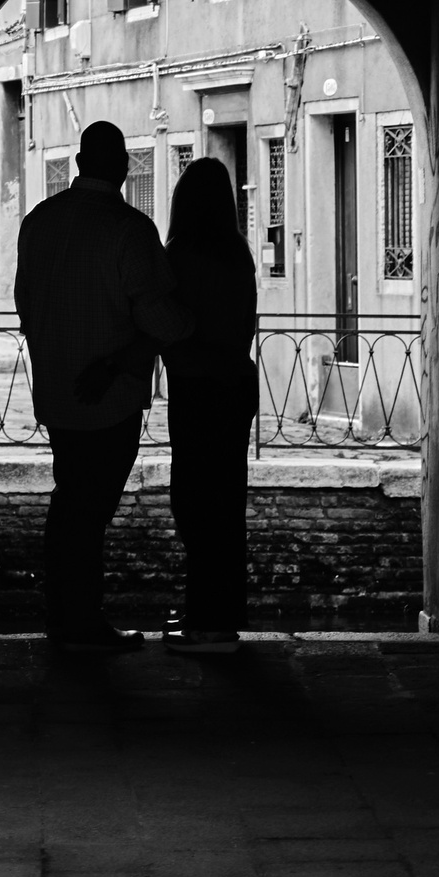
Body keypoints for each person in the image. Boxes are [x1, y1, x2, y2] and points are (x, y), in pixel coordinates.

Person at [13, 119, 192, 653]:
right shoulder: (129, 229)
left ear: (78, 164)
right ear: (122, 168)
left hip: (56, 394)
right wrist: (189, 320)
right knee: (89, 511)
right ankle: (81, 623)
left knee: (71, 501)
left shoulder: (37, 222)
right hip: (110, 397)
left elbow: (25, 305)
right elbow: (164, 321)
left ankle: (65, 617)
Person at [158, 155, 260, 654]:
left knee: (194, 505)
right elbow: (246, 325)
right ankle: (216, 615)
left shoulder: (176, 256)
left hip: (196, 388)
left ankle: (207, 624)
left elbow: (166, 325)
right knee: (225, 504)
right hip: (235, 386)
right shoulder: (239, 254)